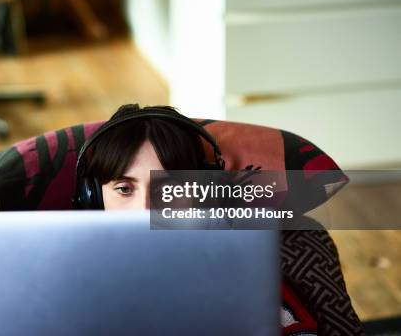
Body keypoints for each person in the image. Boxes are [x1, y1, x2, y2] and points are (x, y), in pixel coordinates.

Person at [72, 103, 320, 335]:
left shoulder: (240, 267)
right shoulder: (70, 275)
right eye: (125, 189)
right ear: (92, 196)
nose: (145, 210)